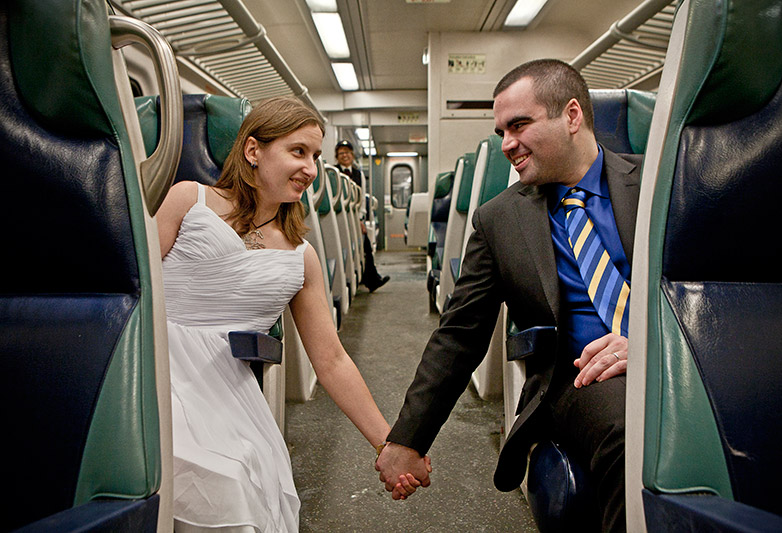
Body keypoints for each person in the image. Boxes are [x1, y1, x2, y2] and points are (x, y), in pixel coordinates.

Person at [376, 59, 640, 533]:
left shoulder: (660, 181)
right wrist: (408, 440)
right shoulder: (498, 219)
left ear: (572, 115)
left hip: (671, 358)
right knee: (633, 428)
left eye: (519, 125)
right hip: (581, 378)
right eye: (501, 131)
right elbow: (459, 334)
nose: (506, 144)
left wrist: (649, 344)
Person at [156, 96, 424, 533]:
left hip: (225, 389)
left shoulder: (302, 256)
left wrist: (387, 444)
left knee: (240, 478)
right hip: (155, 366)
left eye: (315, 156)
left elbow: (331, 360)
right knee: (206, 472)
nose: (311, 168)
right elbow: (135, 286)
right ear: (253, 150)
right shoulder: (188, 200)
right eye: (298, 151)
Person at [334, 139, 390, 292]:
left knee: (365, 245)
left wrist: (360, 219)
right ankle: (368, 279)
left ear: (352, 155)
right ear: (337, 157)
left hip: (355, 218)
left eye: (347, 152)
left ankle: (371, 279)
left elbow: (361, 199)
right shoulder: (333, 173)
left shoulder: (358, 174)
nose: (344, 155)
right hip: (339, 217)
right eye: (341, 153)